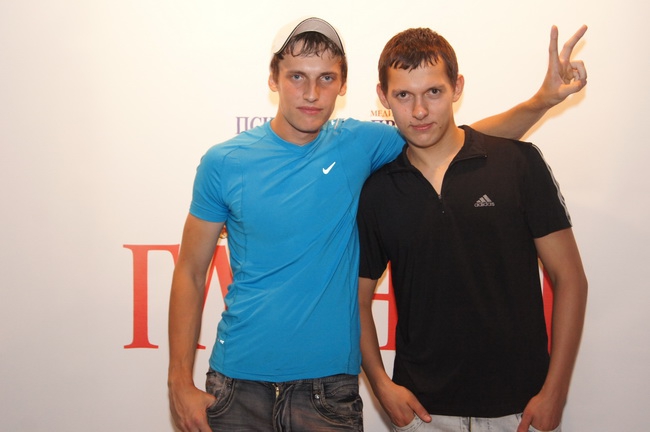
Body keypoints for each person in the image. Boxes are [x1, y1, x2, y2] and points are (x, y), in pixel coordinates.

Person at [168, 17, 588, 432]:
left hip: (328, 391)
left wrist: (541, 102)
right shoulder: (224, 162)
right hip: (236, 383)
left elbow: (453, 139)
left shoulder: (360, 143)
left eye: (326, 78)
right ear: (273, 79)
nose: (311, 93)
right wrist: (179, 381)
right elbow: (189, 271)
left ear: (343, 86)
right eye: (297, 76)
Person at [357, 27, 588, 432]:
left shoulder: (517, 163)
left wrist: (556, 392)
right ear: (383, 96)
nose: (419, 110)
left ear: (457, 87)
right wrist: (380, 385)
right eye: (403, 95)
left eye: (433, 92)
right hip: (422, 414)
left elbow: (570, 278)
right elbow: (356, 300)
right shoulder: (377, 190)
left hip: (520, 409)